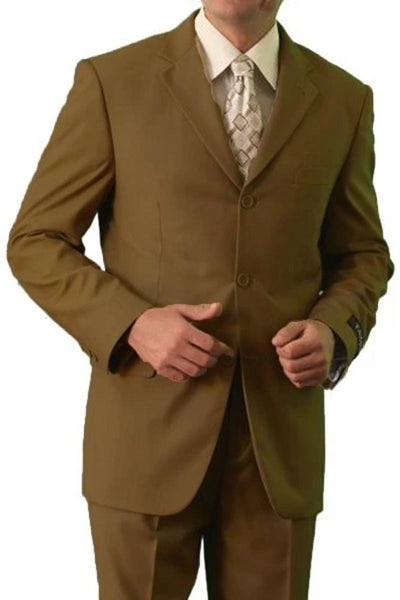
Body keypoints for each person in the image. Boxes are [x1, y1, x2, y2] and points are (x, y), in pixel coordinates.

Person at [6, 1, 395, 598]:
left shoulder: (345, 99)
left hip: (277, 448)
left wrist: (334, 330)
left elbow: (363, 254)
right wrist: (132, 324)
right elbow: (36, 240)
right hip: (144, 439)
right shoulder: (113, 82)